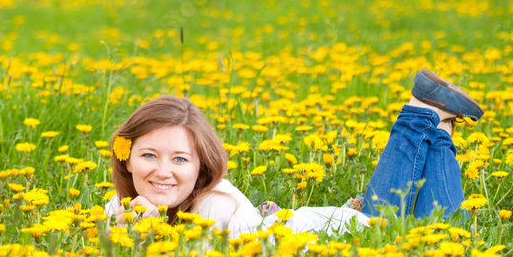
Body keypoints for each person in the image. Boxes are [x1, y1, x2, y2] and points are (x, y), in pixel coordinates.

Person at [103, 67, 484, 238]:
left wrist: (145, 234)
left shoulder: (212, 208)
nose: (162, 171)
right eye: (149, 156)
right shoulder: (120, 206)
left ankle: (420, 117)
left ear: (202, 165)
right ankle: (439, 124)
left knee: (428, 232)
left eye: (180, 159)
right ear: (126, 156)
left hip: (336, 237)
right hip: (292, 226)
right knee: (421, 223)